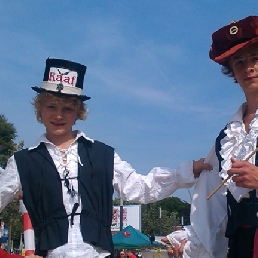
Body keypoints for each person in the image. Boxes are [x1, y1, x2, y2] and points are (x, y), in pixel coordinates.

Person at [0, 58, 211, 258]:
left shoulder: (102, 154)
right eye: (51, 106)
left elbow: (139, 188)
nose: (58, 115)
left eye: (67, 108)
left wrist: (185, 173)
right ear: (40, 109)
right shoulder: (21, 162)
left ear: (77, 112)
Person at [168, 15, 258, 258]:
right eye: (239, 61)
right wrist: (190, 249)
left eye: (256, 58)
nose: (248, 67)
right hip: (242, 248)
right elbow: (212, 209)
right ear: (231, 71)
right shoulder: (226, 138)